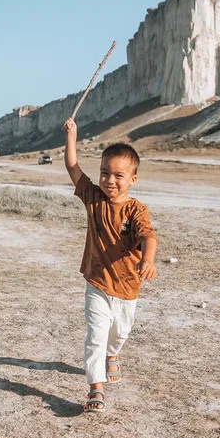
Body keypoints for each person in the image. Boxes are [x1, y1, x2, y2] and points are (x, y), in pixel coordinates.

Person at [63, 117, 157, 414]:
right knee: (96, 336)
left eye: (118, 175)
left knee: (120, 333)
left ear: (132, 179)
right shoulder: (93, 198)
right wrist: (72, 135)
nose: (109, 181)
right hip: (97, 283)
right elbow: (72, 167)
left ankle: (113, 354)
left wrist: (148, 260)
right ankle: (95, 389)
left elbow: (148, 237)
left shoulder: (136, 209)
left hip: (128, 287)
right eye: (104, 173)